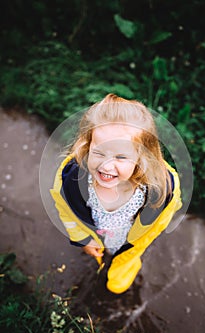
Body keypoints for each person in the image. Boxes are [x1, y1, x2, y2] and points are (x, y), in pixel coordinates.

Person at [50, 93, 182, 294]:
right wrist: (83, 238)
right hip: (97, 231)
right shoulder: (73, 181)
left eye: (121, 156)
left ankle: (123, 265)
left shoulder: (157, 189)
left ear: (141, 157)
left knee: (124, 258)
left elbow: (160, 220)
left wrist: (135, 246)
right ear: (87, 146)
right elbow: (66, 210)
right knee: (100, 251)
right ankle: (102, 253)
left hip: (129, 238)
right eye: (99, 152)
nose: (106, 165)